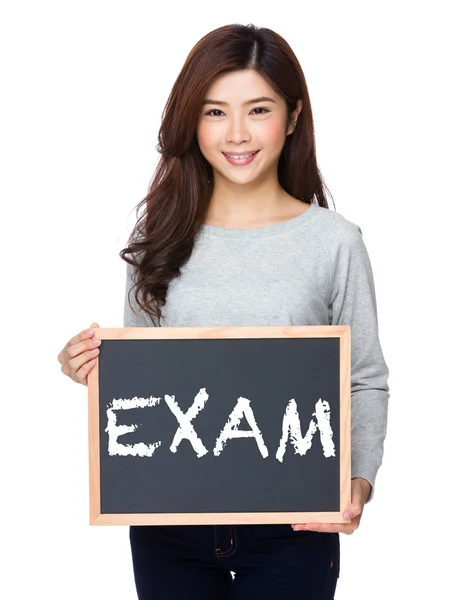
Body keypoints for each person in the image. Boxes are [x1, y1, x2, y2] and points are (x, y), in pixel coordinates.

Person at [57, 22, 390, 600]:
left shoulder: (335, 242)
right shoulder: (157, 239)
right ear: (192, 121)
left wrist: (358, 483)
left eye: (257, 109)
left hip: (295, 524)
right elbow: (149, 392)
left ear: (292, 116)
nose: (237, 133)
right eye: (214, 112)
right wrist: (89, 368)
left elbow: (363, 378)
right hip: (169, 525)